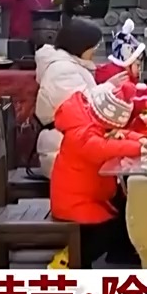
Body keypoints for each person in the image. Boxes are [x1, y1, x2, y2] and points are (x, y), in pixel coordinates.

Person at [47, 81, 147, 269]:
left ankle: (122, 252)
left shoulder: (92, 122)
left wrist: (139, 138)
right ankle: (71, 260)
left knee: (122, 207)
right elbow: (103, 148)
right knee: (106, 231)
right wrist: (137, 147)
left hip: (88, 195)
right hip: (74, 204)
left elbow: (117, 134)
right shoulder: (82, 135)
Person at [33, 18, 112, 179]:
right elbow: (81, 107)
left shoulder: (69, 65)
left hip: (74, 142)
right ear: (81, 46)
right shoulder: (61, 70)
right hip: (61, 150)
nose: (95, 51)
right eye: (94, 46)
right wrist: (110, 87)